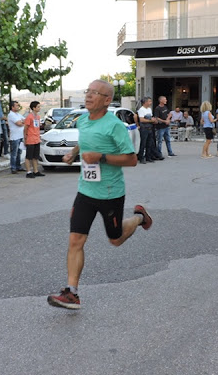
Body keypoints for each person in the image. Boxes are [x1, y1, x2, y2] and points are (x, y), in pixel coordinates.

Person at [46, 80, 152, 310]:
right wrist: (73, 153)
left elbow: (132, 159)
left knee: (115, 239)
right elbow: (84, 143)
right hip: (85, 190)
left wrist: (101, 158)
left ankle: (139, 217)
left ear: (106, 100)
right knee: (75, 240)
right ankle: (72, 292)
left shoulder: (114, 126)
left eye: (95, 93)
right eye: (88, 91)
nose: (89, 96)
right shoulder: (83, 120)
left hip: (110, 193)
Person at [23, 101, 44, 178]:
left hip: (36, 139)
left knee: (35, 156)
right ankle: (28, 172)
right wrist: (25, 138)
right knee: (29, 156)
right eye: (38, 107)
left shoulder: (38, 117)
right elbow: (25, 128)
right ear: (34, 108)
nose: (39, 108)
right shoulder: (29, 117)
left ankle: (36, 171)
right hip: (30, 139)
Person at [137, 97, 157, 163]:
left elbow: (151, 117)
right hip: (144, 128)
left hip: (150, 128)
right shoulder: (141, 110)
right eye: (149, 101)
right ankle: (141, 157)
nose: (150, 103)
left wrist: (153, 120)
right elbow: (142, 119)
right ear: (145, 102)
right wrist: (150, 121)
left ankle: (148, 157)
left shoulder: (149, 109)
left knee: (149, 143)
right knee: (143, 143)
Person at [7, 101, 25, 174]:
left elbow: (25, 120)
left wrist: (22, 122)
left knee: (19, 152)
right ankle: (13, 167)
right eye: (16, 105)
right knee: (14, 153)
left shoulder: (18, 114)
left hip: (20, 136)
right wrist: (22, 122)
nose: (18, 107)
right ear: (12, 107)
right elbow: (19, 123)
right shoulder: (11, 115)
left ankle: (18, 166)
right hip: (15, 137)